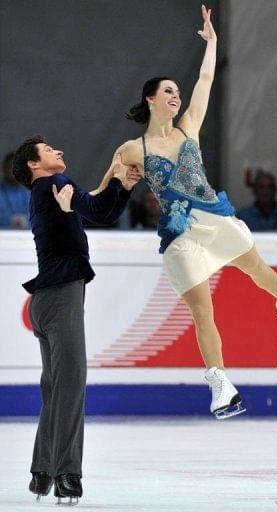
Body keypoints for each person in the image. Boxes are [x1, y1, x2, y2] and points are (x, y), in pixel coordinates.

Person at [57, 6, 277, 420]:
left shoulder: (189, 127)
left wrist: (213, 42)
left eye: (176, 92)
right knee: (204, 310)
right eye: (168, 91)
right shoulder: (134, 150)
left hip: (215, 219)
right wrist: (70, 203)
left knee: (257, 268)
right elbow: (100, 192)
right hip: (181, 233)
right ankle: (220, 385)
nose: (176, 95)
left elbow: (206, 79)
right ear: (151, 99)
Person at [12, 135, 139, 503]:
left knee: (56, 387)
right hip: (62, 296)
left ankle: (42, 471)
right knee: (70, 384)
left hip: (47, 300)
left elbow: (101, 209)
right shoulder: (55, 184)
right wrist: (117, 180)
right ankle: (67, 472)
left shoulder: (46, 190)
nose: (60, 150)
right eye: (50, 150)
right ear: (34, 165)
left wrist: (121, 184)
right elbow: (100, 211)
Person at [0, 151, 30, 228]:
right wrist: (10, 221)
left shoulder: (30, 193)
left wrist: (26, 221)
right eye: (12, 166)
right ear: (3, 169)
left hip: (28, 237)